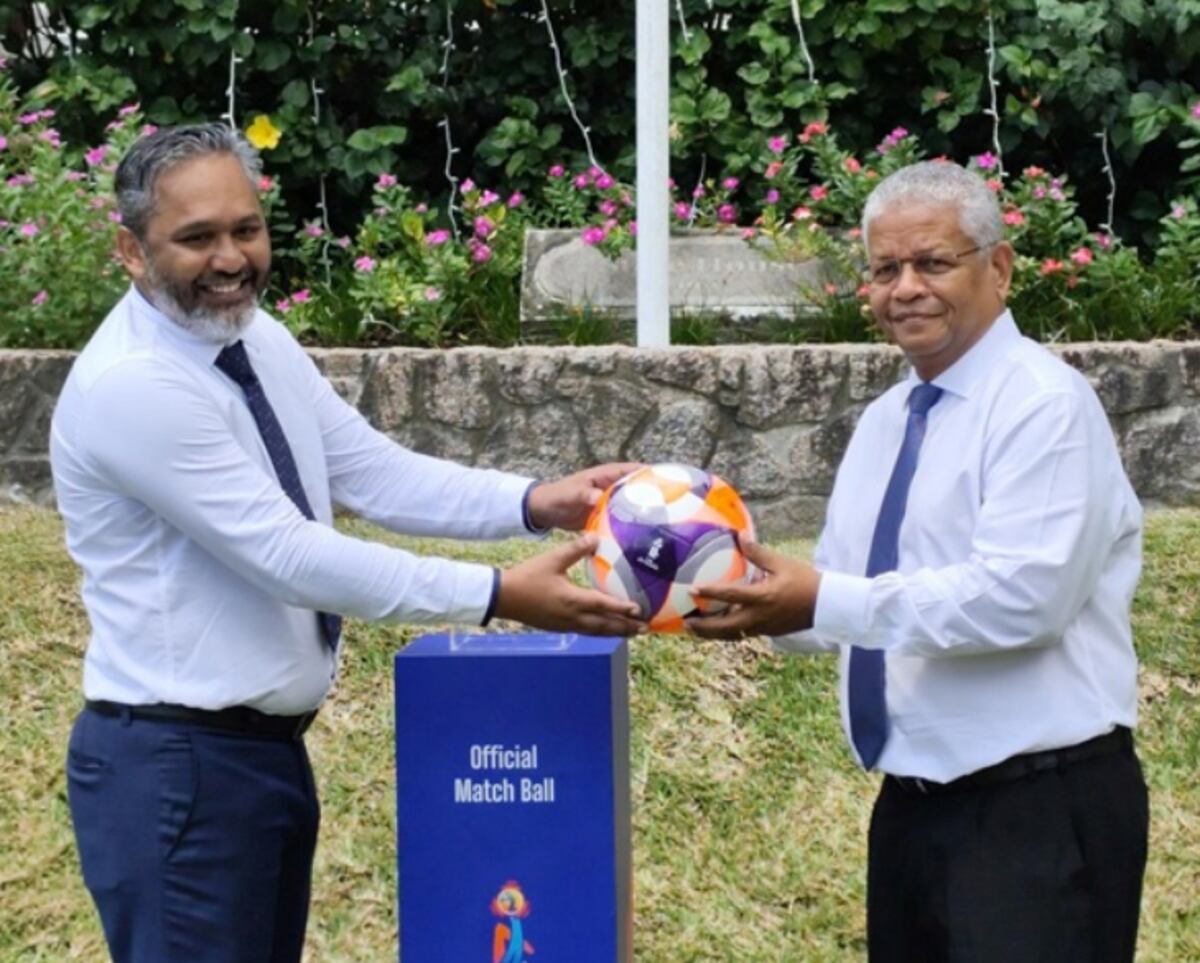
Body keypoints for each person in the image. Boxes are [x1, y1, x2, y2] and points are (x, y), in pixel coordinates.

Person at [50, 123, 644, 963]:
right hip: (176, 771)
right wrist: (498, 594)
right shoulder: (132, 386)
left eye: (245, 229)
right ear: (131, 250)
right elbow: (290, 556)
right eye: (197, 238)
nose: (231, 258)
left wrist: (537, 501)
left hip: (256, 761)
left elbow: (368, 469)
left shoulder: (251, 336)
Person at [689, 160, 1148, 962]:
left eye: (932, 262)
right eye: (884, 269)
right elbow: (845, 596)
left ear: (998, 268)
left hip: (1037, 812)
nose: (905, 288)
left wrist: (823, 599)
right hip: (912, 813)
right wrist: (733, 601)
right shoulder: (885, 420)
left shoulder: (1042, 404)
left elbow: (1022, 600)